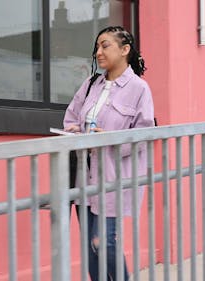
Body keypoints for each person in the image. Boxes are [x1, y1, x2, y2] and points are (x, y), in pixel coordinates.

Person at [63, 26, 155, 281]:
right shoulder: (91, 83)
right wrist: (75, 130)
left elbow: (144, 135)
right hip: (84, 177)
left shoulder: (139, 89)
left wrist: (110, 142)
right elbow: (71, 116)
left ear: (125, 50)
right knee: (90, 250)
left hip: (114, 178)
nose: (98, 52)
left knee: (103, 242)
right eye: (97, 47)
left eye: (105, 46)